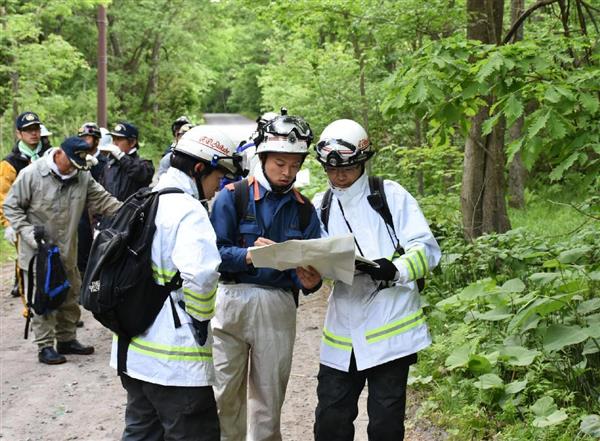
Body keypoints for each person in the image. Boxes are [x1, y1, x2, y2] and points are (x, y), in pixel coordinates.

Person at [311, 119, 441, 441]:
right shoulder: (320, 204)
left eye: (347, 168)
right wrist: (312, 272)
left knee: (385, 424)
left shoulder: (390, 195)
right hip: (342, 331)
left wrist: (395, 269)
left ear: (363, 162)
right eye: (331, 169)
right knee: (330, 420)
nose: (339, 176)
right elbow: (315, 256)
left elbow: (426, 249)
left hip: (390, 331)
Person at [112, 126, 243, 441]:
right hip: (175, 363)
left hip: (133, 354)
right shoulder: (189, 210)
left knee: (141, 434)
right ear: (199, 169)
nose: (218, 186)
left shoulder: (145, 198)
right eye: (217, 177)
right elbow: (201, 276)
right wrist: (200, 322)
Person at [210, 113, 323, 441]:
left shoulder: (305, 210)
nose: (288, 173)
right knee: (222, 397)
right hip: (230, 301)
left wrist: (311, 280)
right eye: (280, 164)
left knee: (268, 403)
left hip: (277, 306)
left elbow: (312, 278)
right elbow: (211, 256)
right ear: (262, 157)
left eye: (295, 165)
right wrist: (247, 255)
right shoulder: (232, 196)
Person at [3, 137, 122, 364]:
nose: (75, 170)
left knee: (70, 293)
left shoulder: (82, 176)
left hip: (68, 250)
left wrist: (132, 211)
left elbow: (104, 201)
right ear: (59, 154)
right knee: (44, 297)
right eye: (72, 163)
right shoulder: (32, 175)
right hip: (39, 253)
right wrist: (28, 233)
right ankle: (45, 346)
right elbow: (11, 206)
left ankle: (67, 339)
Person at [1, 111, 52, 298]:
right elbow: (3, 197)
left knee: (55, 262)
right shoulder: (10, 163)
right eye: (28, 130)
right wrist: (9, 224)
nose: (34, 133)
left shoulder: (50, 156)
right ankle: (30, 307)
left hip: (51, 218)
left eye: (36, 129)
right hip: (23, 222)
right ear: (19, 133)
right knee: (27, 266)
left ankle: (56, 307)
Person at [76, 122, 108, 275]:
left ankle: (95, 290)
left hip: (99, 214)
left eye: (87, 137)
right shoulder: (76, 161)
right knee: (80, 254)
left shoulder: (105, 162)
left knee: (97, 256)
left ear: (96, 140)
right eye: (81, 137)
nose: (84, 141)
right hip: (80, 215)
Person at [99, 121, 154, 202]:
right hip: (108, 212)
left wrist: (121, 156)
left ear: (132, 142)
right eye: (113, 139)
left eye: (119, 139)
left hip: (131, 213)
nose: (115, 143)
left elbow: (139, 173)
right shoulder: (109, 164)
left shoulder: (144, 164)